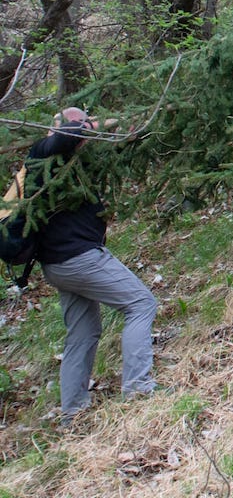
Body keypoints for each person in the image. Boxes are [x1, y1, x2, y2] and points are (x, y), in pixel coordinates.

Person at [11, 108, 158, 425]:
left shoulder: (73, 161)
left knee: (83, 333)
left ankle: (73, 414)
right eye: (79, 124)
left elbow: (104, 148)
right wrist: (96, 124)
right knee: (141, 304)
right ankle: (138, 391)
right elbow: (67, 136)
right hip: (78, 260)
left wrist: (128, 134)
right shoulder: (43, 152)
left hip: (61, 264)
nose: (84, 132)